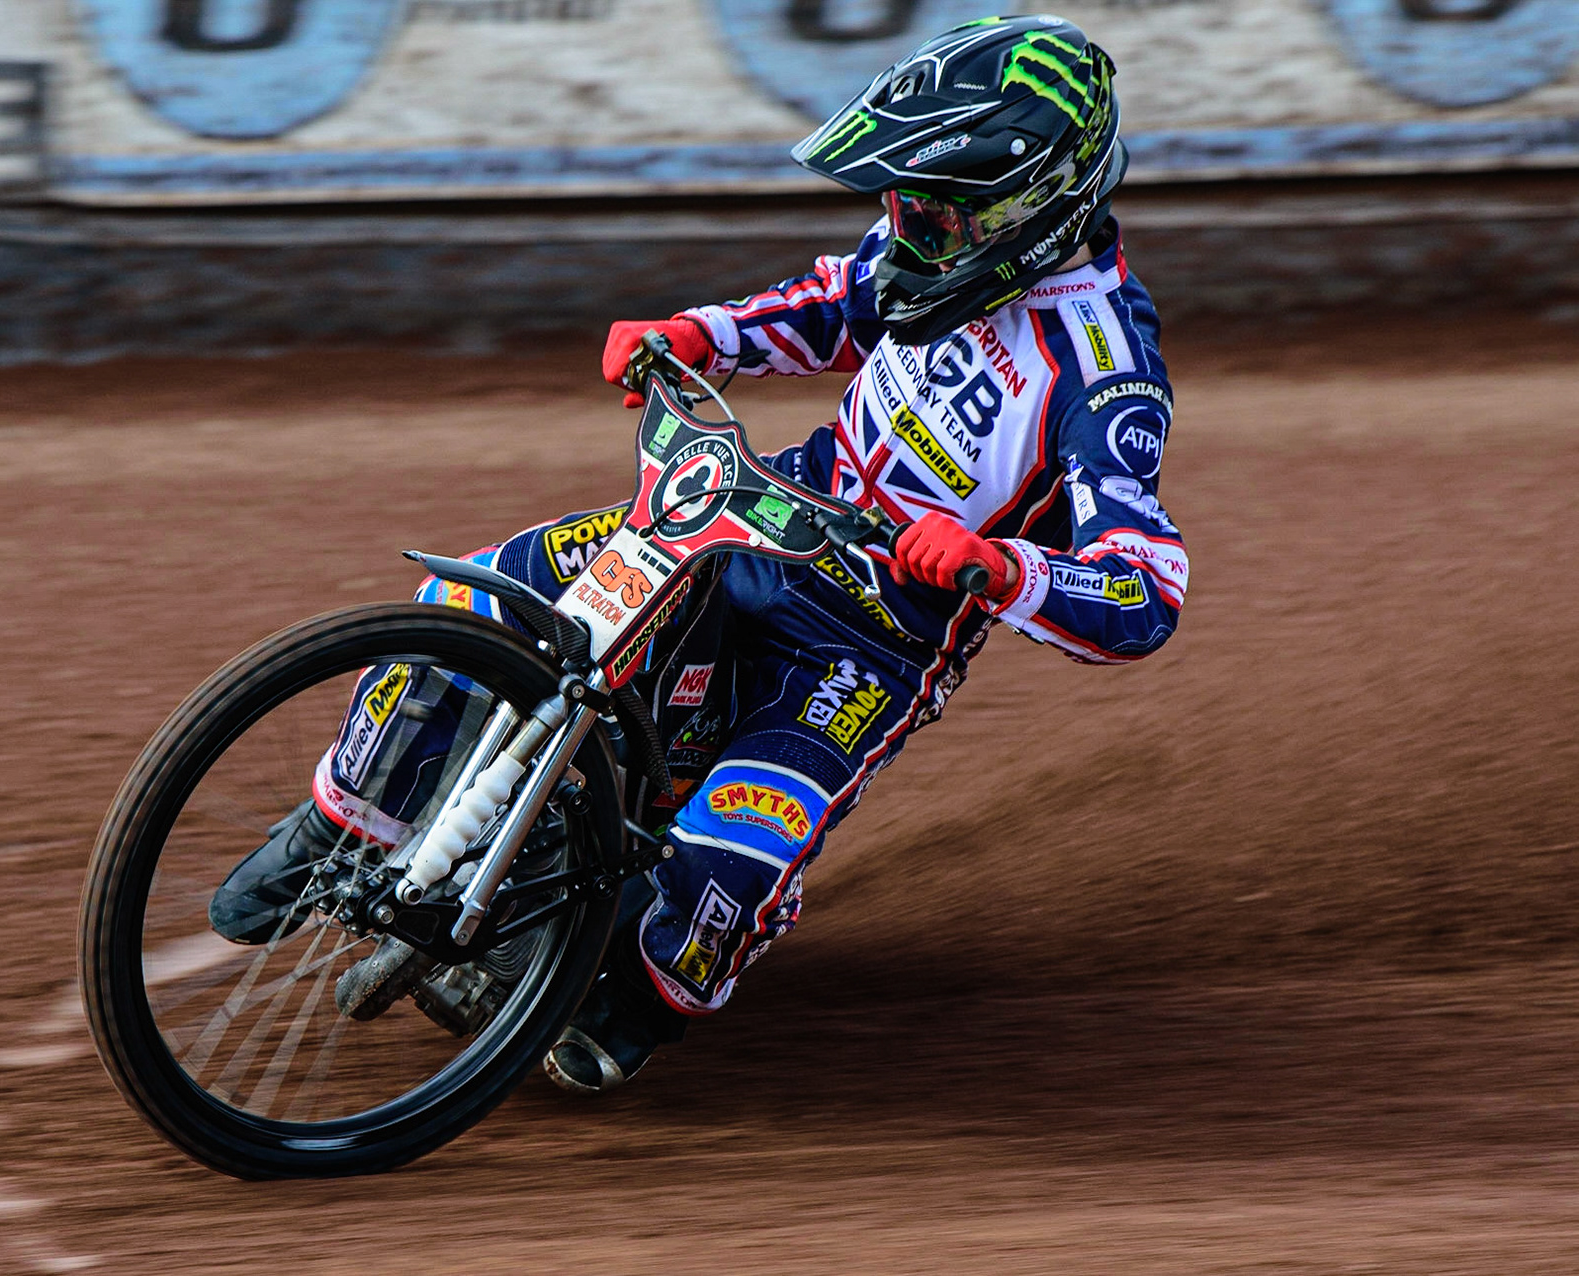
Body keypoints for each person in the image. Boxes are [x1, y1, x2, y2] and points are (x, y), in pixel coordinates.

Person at [210, 14, 1188, 1095]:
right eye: (898, 208)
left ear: (1028, 213)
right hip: (754, 515)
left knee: (737, 853)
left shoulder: (1105, 371)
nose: (906, 236)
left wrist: (1000, 567)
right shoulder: (932, 250)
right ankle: (338, 821)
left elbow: (1143, 590)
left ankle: (632, 1000)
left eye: (934, 217)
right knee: (486, 595)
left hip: (871, 643)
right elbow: (839, 303)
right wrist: (696, 333)